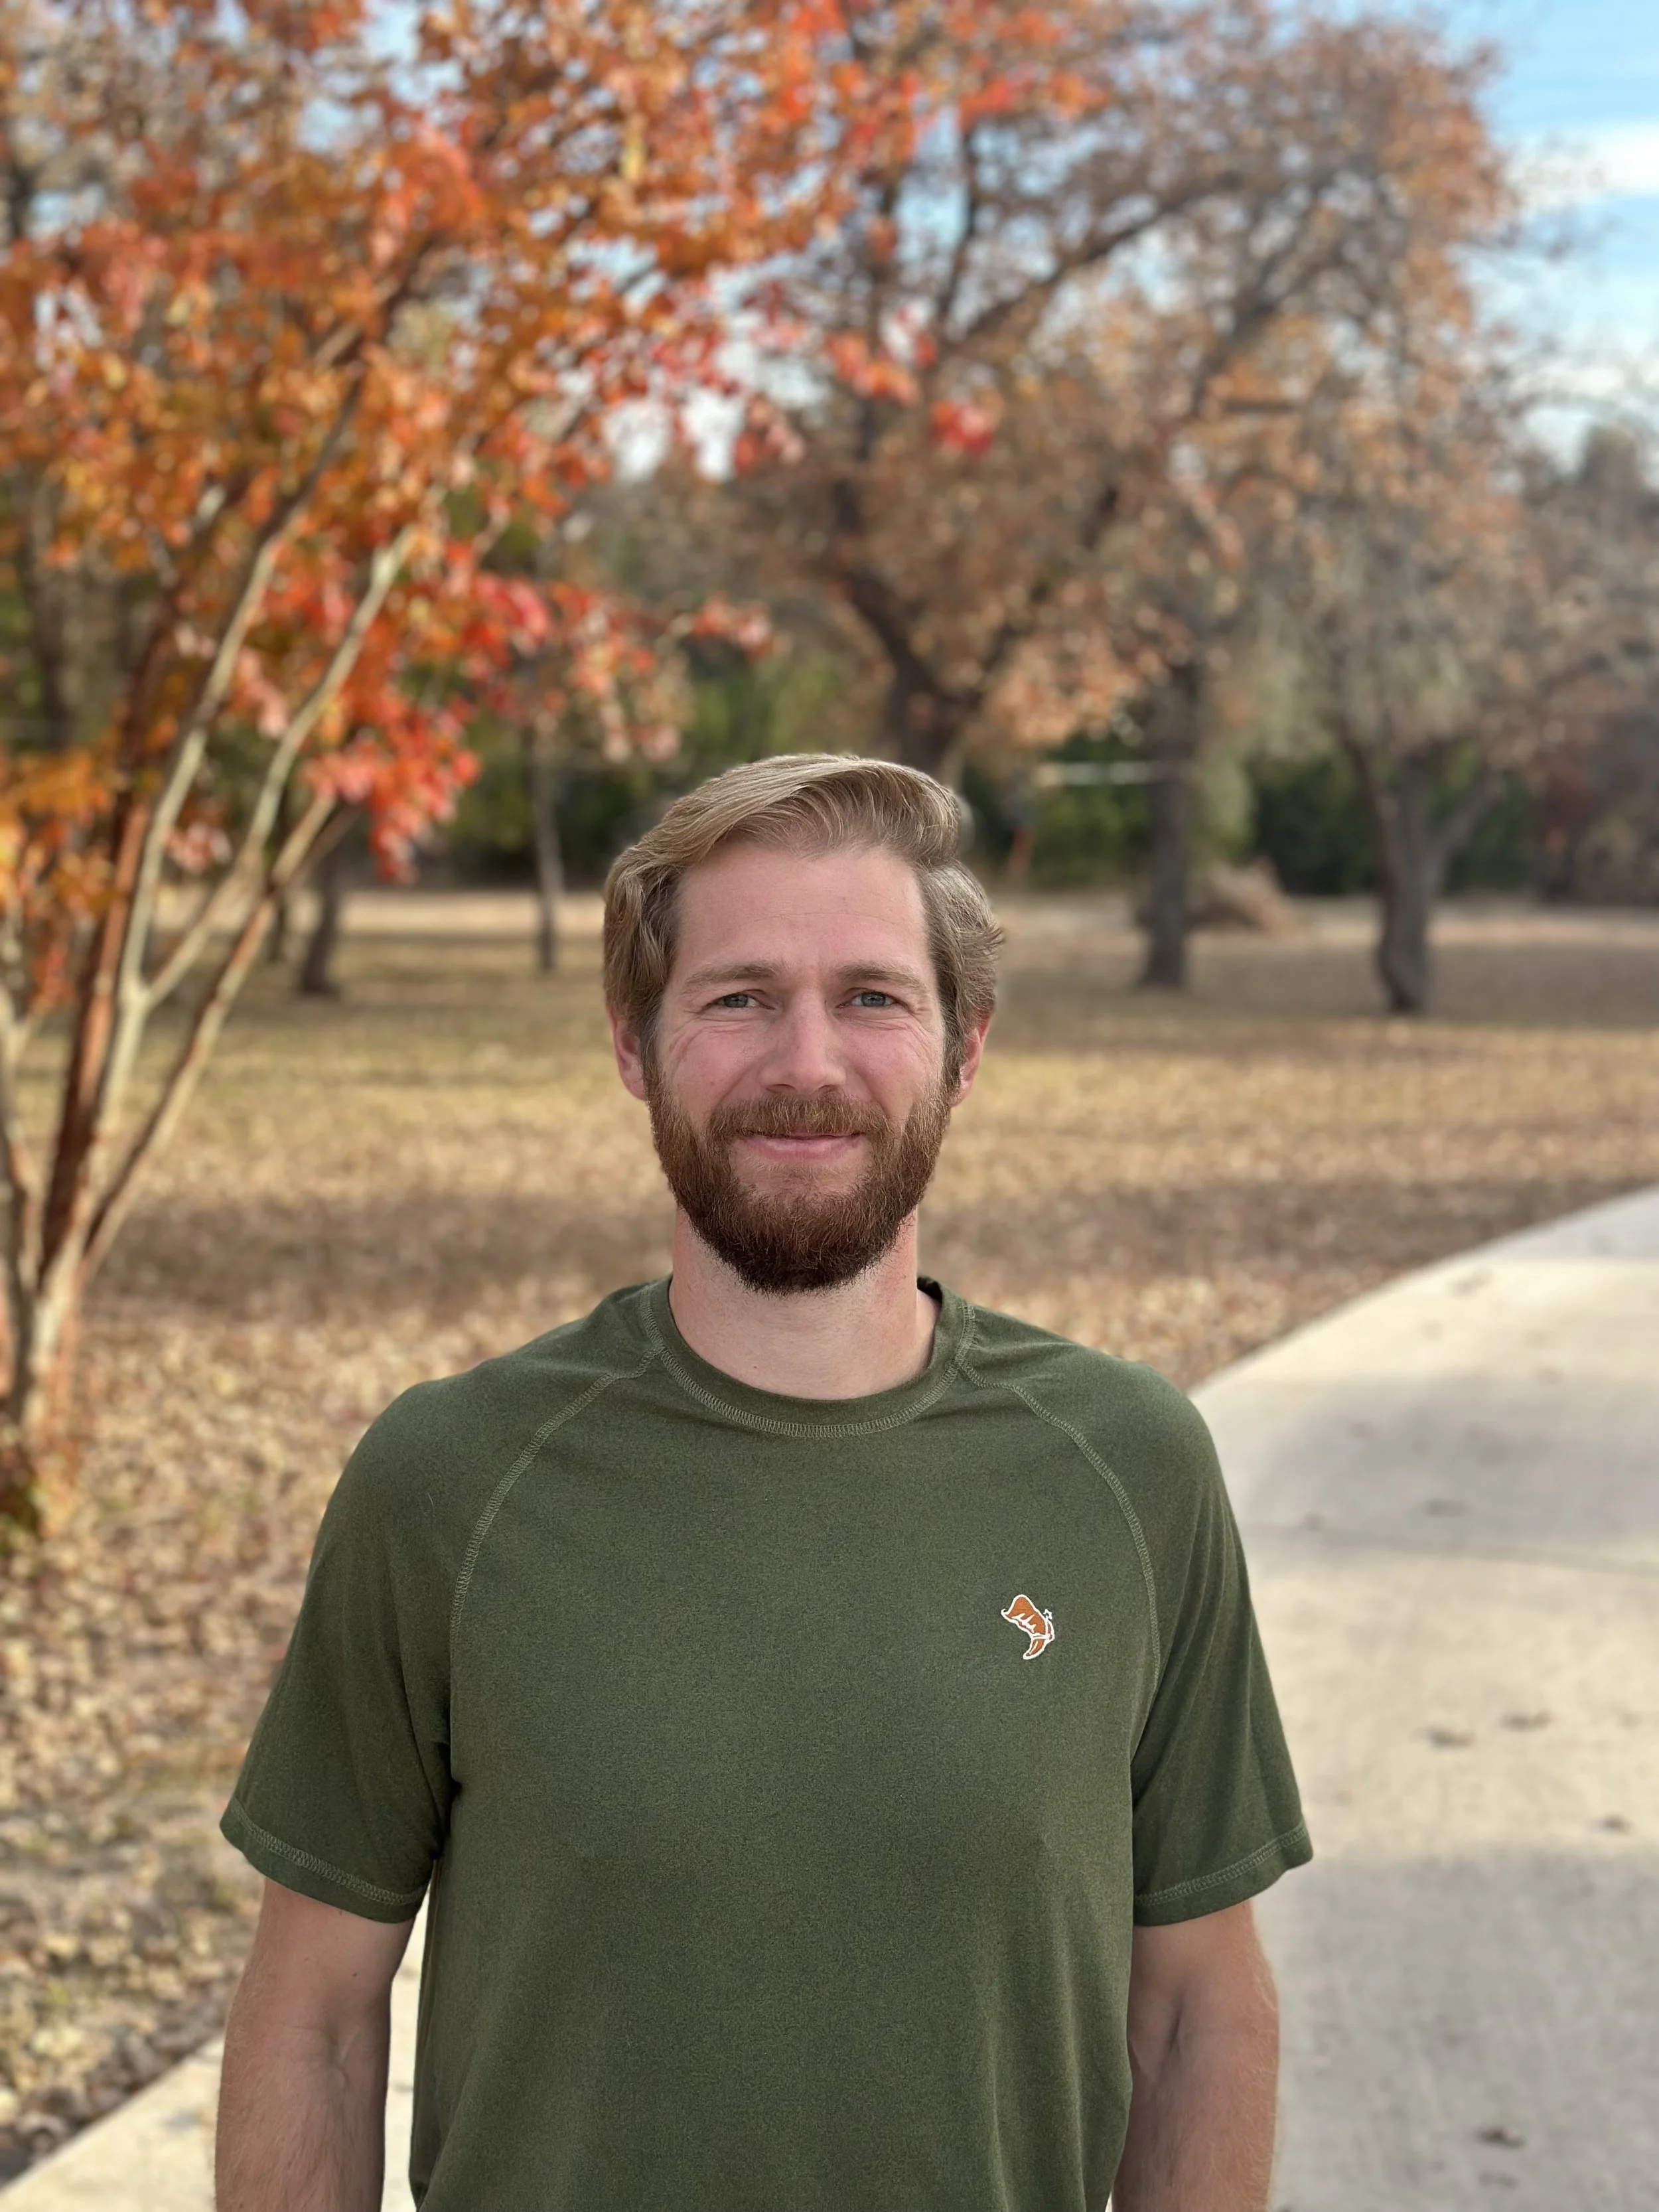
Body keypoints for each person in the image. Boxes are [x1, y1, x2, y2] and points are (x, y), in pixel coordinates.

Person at [215, 754, 1311, 2212]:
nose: (807, 1063)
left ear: (963, 1047)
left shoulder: (1126, 1470)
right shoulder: (451, 1481)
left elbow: (1194, 2016)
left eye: (871, 996)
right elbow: (317, 2023)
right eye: (738, 998)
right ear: (633, 1044)